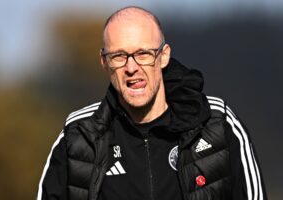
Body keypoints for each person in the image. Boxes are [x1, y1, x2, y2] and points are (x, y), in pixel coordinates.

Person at [37, 6, 267, 200]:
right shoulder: (79, 137)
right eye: (119, 56)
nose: (131, 67)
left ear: (164, 56)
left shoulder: (217, 123)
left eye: (143, 54)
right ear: (104, 62)